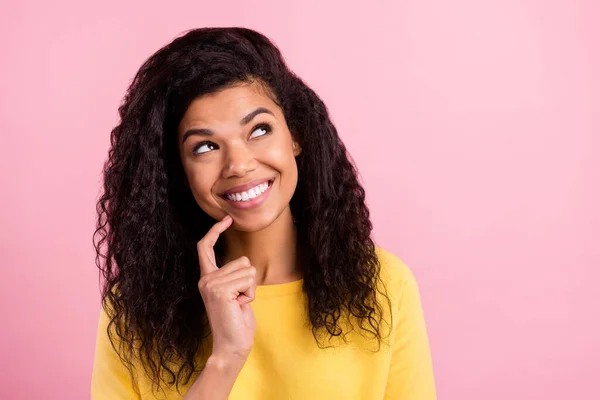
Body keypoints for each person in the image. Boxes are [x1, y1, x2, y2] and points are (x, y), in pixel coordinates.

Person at [91, 27, 436, 399]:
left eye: (259, 130)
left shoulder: (384, 285)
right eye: (205, 146)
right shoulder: (137, 308)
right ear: (178, 172)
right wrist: (226, 358)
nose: (238, 165)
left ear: (295, 136)